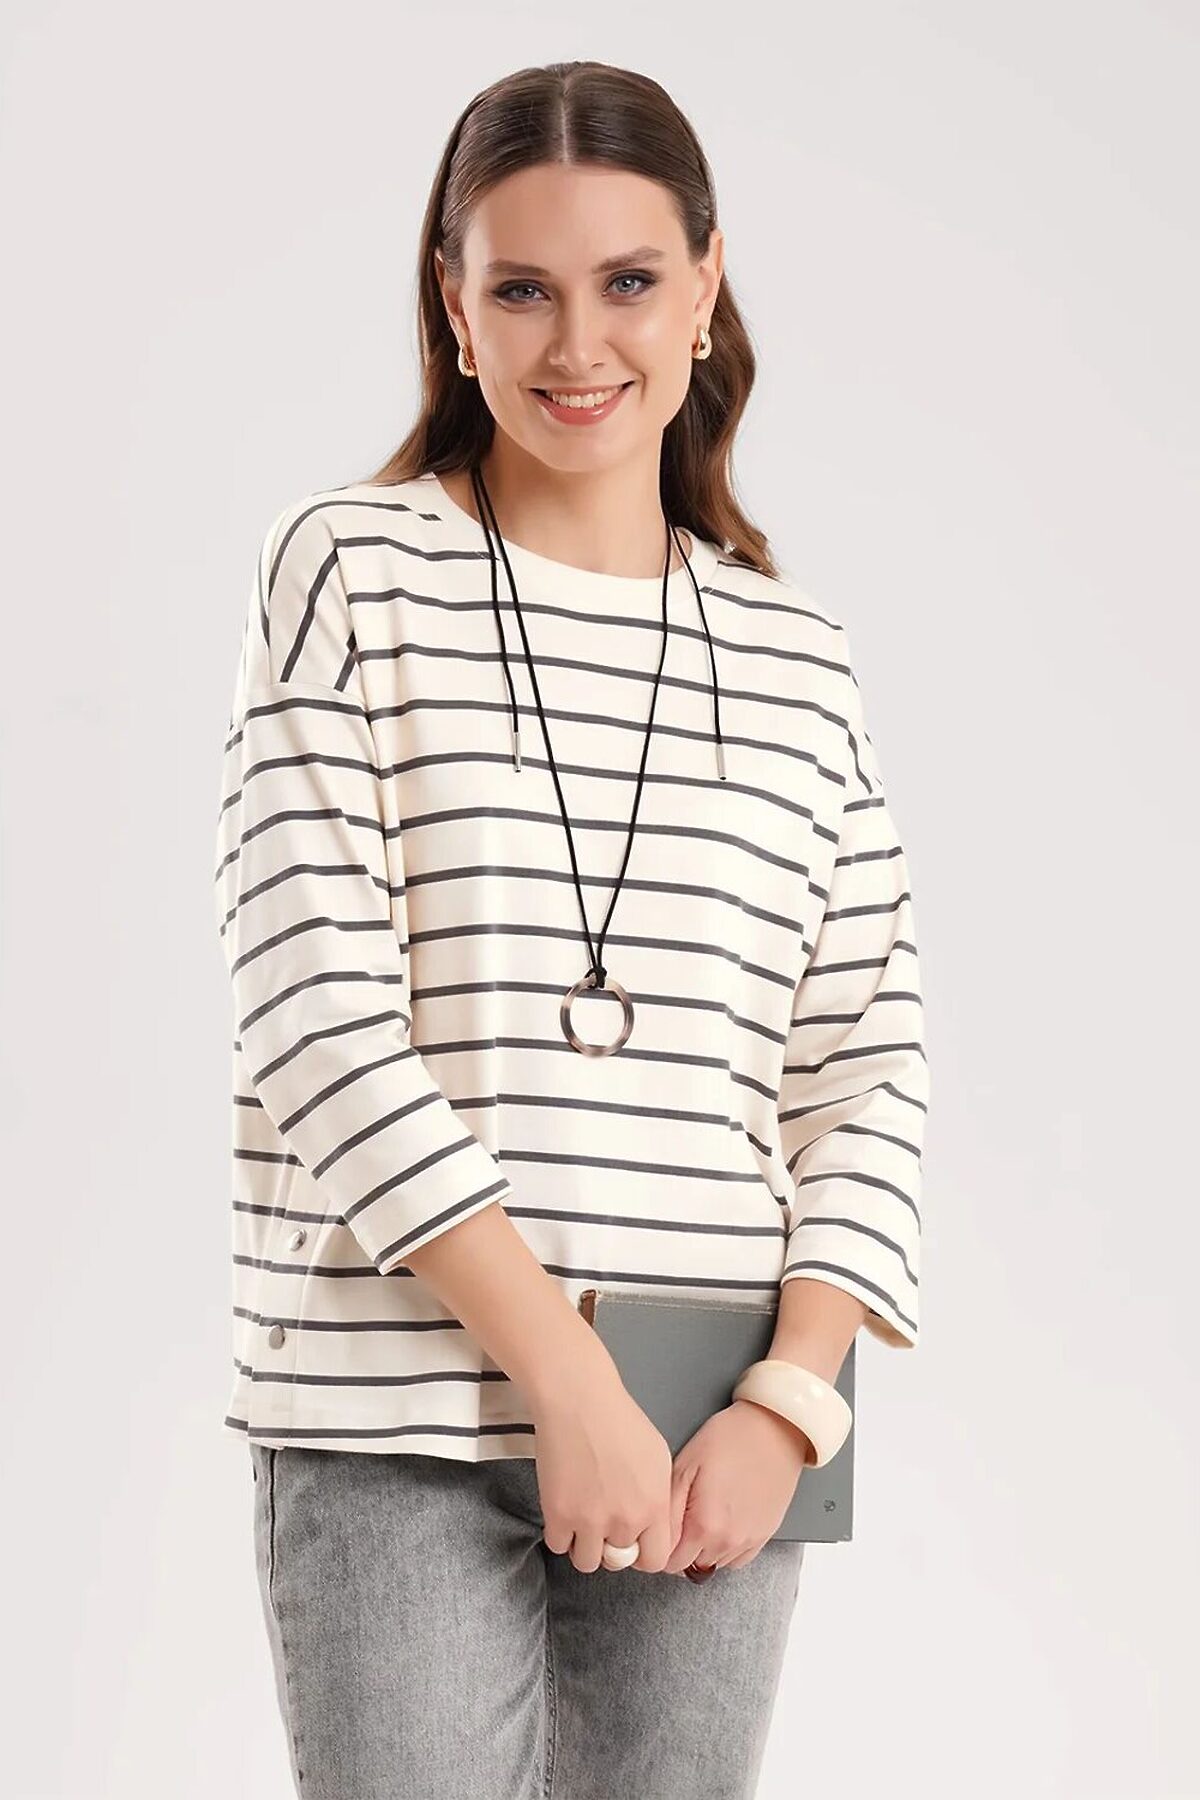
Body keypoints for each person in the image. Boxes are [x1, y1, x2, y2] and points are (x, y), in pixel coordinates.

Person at [212, 58, 929, 1800]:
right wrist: (566, 1375)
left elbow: (865, 1069)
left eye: (628, 281)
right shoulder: (353, 572)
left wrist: (790, 1406)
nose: (578, 343)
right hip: (399, 1421)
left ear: (705, 288)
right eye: (522, 289)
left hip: (710, 1434)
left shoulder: (798, 659)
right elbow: (314, 1017)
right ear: (453, 308)